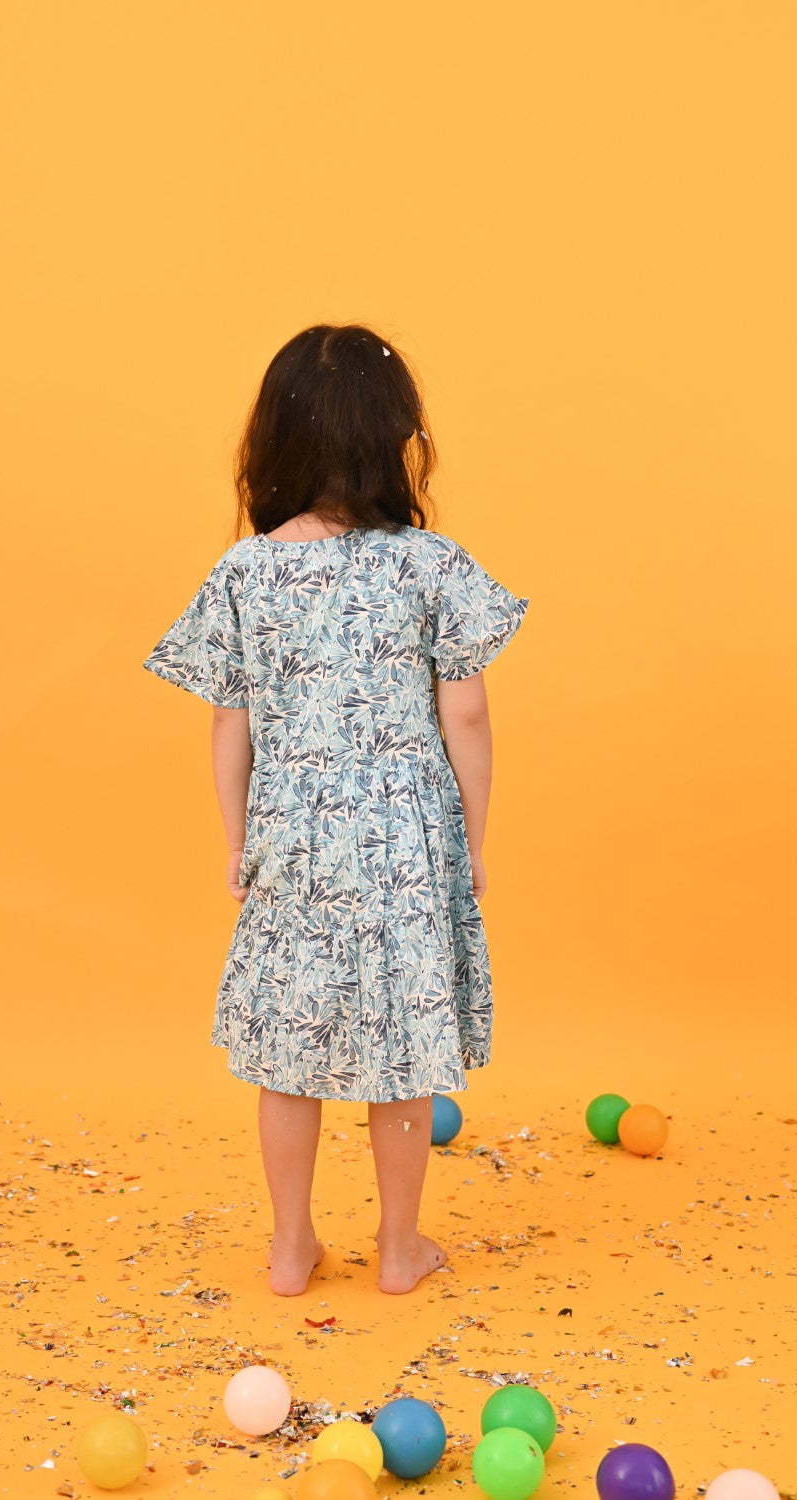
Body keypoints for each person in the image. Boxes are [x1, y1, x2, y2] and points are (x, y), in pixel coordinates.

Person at [142, 323, 530, 1298]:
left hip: (294, 832)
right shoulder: (430, 564)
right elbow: (469, 712)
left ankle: (287, 1248)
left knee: (290, 1047)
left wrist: (239, 842)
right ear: (394, 440)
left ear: (272, 441)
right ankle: (398, 1251)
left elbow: (230, 725)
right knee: (401, 1053)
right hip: (403, 831)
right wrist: (470, 837)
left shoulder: (245, 573)